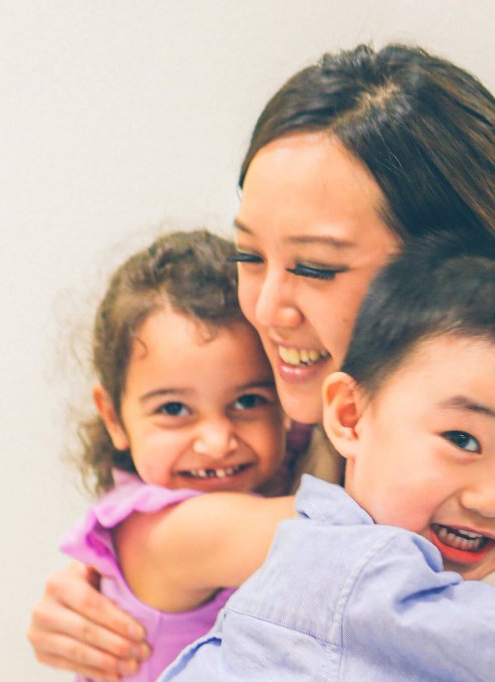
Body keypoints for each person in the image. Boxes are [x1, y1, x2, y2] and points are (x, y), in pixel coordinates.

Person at [28, 43, 495, 680]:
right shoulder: (304, 439)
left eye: (317, 267)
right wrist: (109, 577)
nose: (268, 307)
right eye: (249, 257)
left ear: (457, 277)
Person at [161, 235, 495, 681]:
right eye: (462, 440)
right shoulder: (355, 572)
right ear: (350, 417)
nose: (493, 499)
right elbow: (493, 643)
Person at [59, 230, 294, 680]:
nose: (216, 440)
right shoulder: (160, 531)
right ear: (113, 417)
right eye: (173, 409)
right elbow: (336, 531)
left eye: (248, 401)